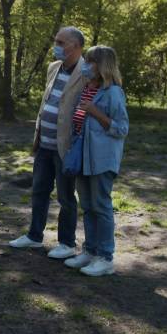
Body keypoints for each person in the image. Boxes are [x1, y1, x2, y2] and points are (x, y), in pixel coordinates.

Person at [9, 27, 88, 259]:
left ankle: (67, 243)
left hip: (66, 147)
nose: (56, 45)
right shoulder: (53, 67)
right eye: (56, 41)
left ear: (75, 46)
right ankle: (34, 236)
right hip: (44, 143)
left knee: (65, 197)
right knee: (39, 191)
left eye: (61, 42)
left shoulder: (86, 72)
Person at [63, 46, 129, 276]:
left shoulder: (113, 93)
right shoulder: (87, 89)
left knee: (101, 207)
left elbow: (121, 128)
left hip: (101, 159)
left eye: (90, 62)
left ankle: (105, 257)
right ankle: (89, 251)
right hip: (83, 157)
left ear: (102, 66)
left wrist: (95, 112)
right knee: (88, 206)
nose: (86, 65)